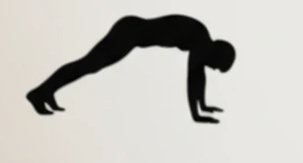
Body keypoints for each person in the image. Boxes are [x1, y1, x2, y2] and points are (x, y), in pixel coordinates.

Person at [26, 15, 234, 123]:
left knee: (88, 66)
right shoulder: (201, 40)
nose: (214, 69)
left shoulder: (201, 37)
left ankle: (46, 91)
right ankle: (39, 93)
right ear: (218, 53)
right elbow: (193, 76)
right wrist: (196, 114)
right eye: (218, 66)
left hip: (131, 30)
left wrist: (202, 106)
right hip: (130, 33)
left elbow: (198, 74)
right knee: (88, 65)